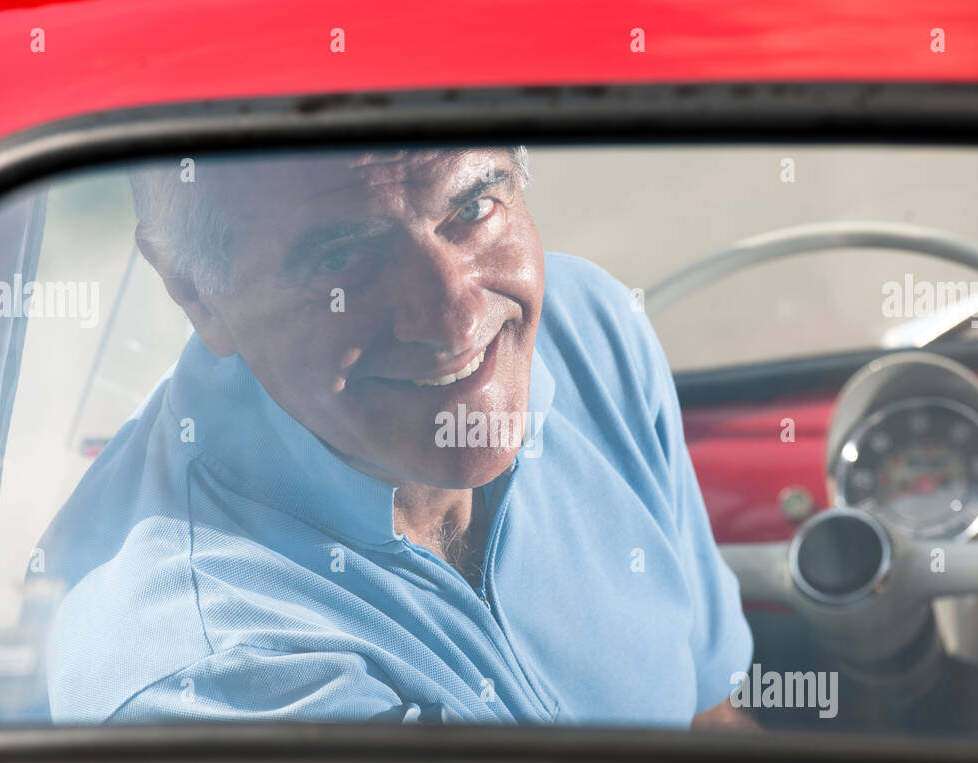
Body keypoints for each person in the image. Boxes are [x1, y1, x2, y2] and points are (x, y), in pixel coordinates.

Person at [37, 146, 753, 727]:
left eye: (472, 209)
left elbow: (709, 722)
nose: (456, 321)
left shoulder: (591, 331)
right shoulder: (210, 675)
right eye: (344, 258)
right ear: (195, 291)